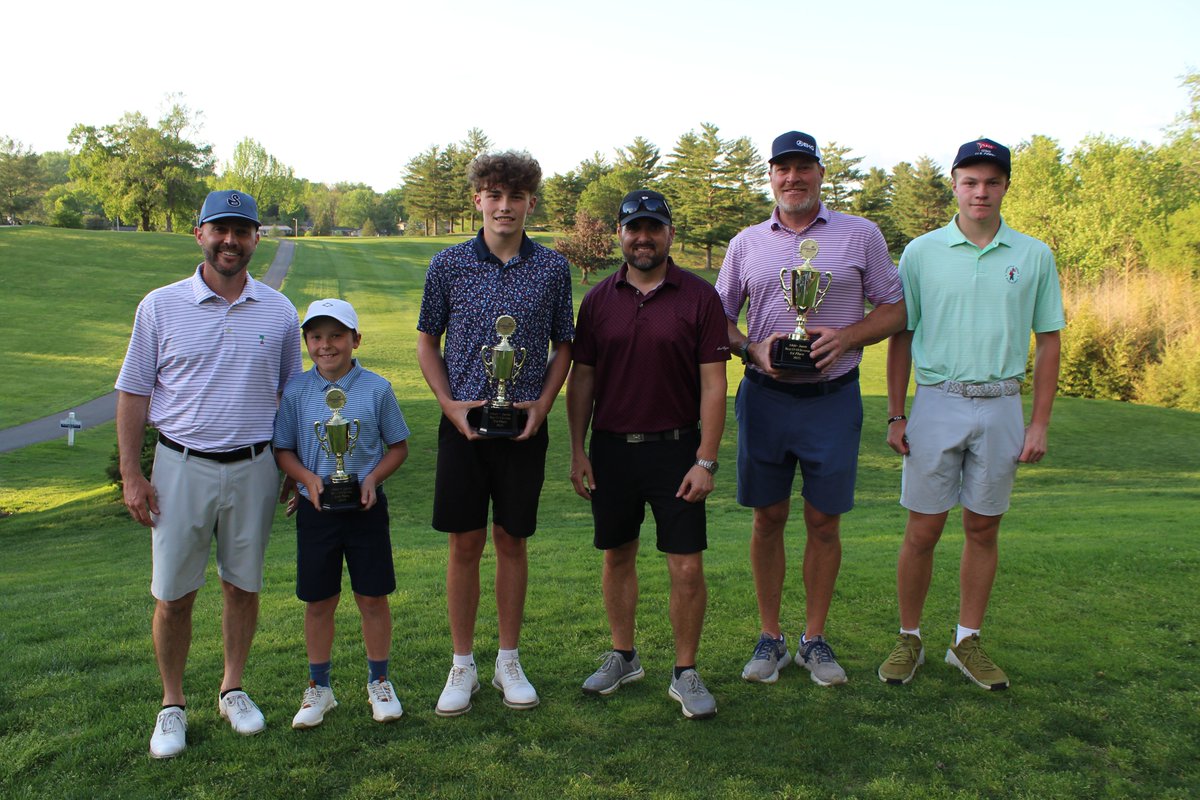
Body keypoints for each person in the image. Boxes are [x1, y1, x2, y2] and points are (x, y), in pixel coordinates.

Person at [116, 190, 302, 759]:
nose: (230, 241)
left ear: (255, 239)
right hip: (180, 467)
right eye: (219, 229)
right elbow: (133, 392)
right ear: (198, 233)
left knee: (242, 586)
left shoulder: (279, 311)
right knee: (173, 595)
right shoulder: (160, 305)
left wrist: (294, 466)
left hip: (254, 469)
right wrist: (132, 472)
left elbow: (291, 397)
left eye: (241, 231)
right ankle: (172, 703)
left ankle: (232, 688)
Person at [715, 131, 906, 687]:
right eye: (783, 168)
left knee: (824, 522)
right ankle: (770, 636)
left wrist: (844, 338)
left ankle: (814, 639)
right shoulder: (747, 242)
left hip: (832, 400)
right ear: (770, 176)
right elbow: (720, 320)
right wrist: (751, 346)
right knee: (767, 517)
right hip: (767, 399)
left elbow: (894, 310)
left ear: (821, 173)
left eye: (803, 167)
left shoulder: (861, 235)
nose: (793, 178)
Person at [878, 138, 1063, 690]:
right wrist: (895, 414)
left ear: (1006, 186)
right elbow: (902, 335)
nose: (981, 192)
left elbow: (1048, 340)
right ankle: (909, 638)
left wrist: (1040, 422)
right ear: (954, 184)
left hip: (1003, 403)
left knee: (983, 528)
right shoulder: (921, 252)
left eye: (992, 181)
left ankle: (966, 641)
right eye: (970, 181)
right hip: (937, 401)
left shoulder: (1033, 254)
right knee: (923, 530)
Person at [416, 151, 575, 716]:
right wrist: (450, 406)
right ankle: (463, 665)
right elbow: (426, 342)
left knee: (512, 540)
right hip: (462, 427)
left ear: (531, 202)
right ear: (478, 199)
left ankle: (509, 659)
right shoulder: (449, 264)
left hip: (524, 429)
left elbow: (564, 347)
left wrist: (545, 405)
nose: (504, 206)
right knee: (464, 543)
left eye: (516, 196)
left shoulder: (553, 269)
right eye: (494, 194)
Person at [567, 190, 729, 720]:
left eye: (653, 228)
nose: (643, 237)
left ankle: (685, 672)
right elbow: (582, 378)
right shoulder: (596, 300)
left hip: (677, 449)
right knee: (617, 556)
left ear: (669, 234)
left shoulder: (700, 297)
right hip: (611, 449)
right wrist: (577, 450)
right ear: (619, 233)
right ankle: (623, 656)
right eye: (633, 228)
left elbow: (713, 383)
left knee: (685, 566)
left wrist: (705, 459)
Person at [273, 298, 411, 727]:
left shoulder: (377, 388)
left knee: (372, 596)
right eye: (316, 337)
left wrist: (371, 480)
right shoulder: (296, 391)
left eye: (336, 336)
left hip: (365, 508)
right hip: (318, 509)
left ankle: (379, 681)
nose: (326, 345)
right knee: (318, 600)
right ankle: (319, 688)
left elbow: (398, 446)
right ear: (307, 342)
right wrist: (308, 480)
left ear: (355, 339)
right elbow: (283, 450)